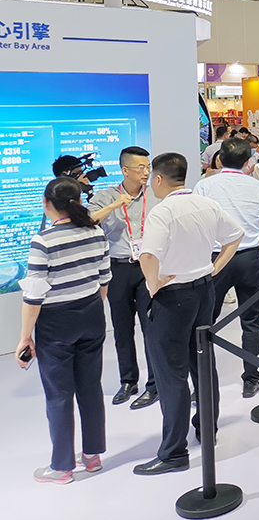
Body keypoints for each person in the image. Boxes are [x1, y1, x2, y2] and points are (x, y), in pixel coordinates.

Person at [136, 153, 243, 475]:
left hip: (173, 298)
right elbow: (236, 235)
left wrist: (153, 285)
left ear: (159, 179)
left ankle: (173, 453)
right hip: (203, 290)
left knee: (171, 373)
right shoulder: (205, 203)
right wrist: (214, 268)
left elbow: (148, 255)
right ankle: (207, 429)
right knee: (202, 363)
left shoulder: (162, 212)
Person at [16, 177, 110, 484]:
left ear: (47, 204)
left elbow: (33, 297)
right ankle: (92, 456)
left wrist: (25, 337)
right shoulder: (96, 231)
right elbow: (104, 280)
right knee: (90, 388)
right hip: (92, 314)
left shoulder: (43, 241)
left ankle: (61, 467)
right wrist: (88, 309)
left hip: (56, 323)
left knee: (58, 395)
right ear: (79, 202)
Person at [194, 138, 259, 398]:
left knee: (205, 320)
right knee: (252, 319)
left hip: (215, 258)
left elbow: (196, 222)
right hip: (249, 257)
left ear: (219, 159)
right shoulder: (258, 187)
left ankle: (202, 382)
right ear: (247, 162)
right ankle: (251, 378)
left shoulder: (204, 185)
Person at [88, 146, 158, 410]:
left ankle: (154, 384)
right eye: (141, 168)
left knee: (151, 327)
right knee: (122, 328)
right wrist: (115, 205)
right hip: (117, 269)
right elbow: (87, 219)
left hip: (147, 267)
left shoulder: (154, 195)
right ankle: (128, 381)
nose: (146, 172)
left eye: (148, 167)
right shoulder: (107, 196)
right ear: (125, 170)